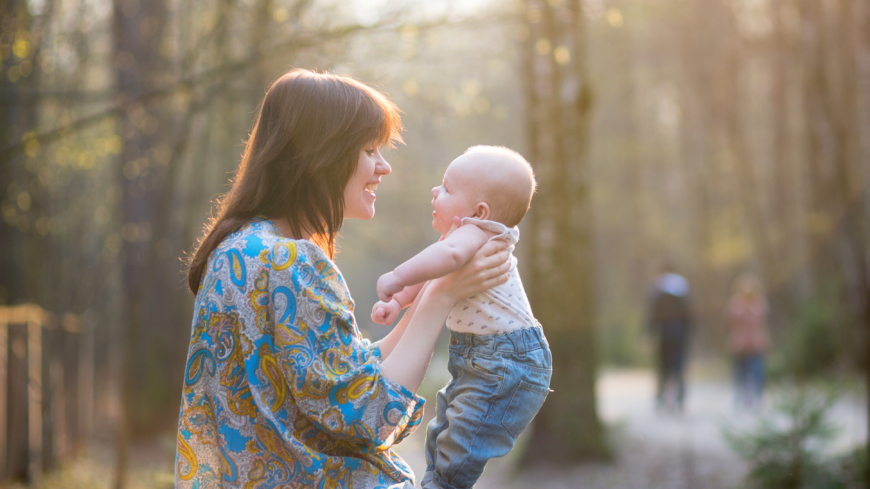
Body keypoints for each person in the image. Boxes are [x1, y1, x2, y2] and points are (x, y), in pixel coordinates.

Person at [176, 70, 511, 489]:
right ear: (323, 155)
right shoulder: (292, 261)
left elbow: (342, 378)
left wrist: (427, 291)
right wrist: (442, 297)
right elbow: (367, 416)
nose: (384, 167)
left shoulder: (239, 250)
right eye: (370, 150)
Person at [370, 146, 552, 489]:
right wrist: (399, 302)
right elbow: (433, 277)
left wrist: (396, 277)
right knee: (445, 431)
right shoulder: (459, 240)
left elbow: (447, 256)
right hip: (486, 357)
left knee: (461, 444)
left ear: (479, 211)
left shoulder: (477, 233)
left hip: (507, 359)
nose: (435, 192)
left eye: (448, 188)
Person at [648, 265, 692, 411]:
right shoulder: (682, 288)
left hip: (664, 334)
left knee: (663, 368)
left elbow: (653, 313)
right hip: (680, 334)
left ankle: (661, 399)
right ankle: (680, 399)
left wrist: (648, 332)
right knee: (678, 367)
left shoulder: (658, 288)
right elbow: (689, 314)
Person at [726, 273, 769, 410]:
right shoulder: (735, 303)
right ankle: (740, 400)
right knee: (740, 374)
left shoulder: (759, 302)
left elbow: (760, 317)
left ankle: (758, 399)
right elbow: (732, 318)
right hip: (739, 344)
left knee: (758, 373)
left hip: (756, 344)